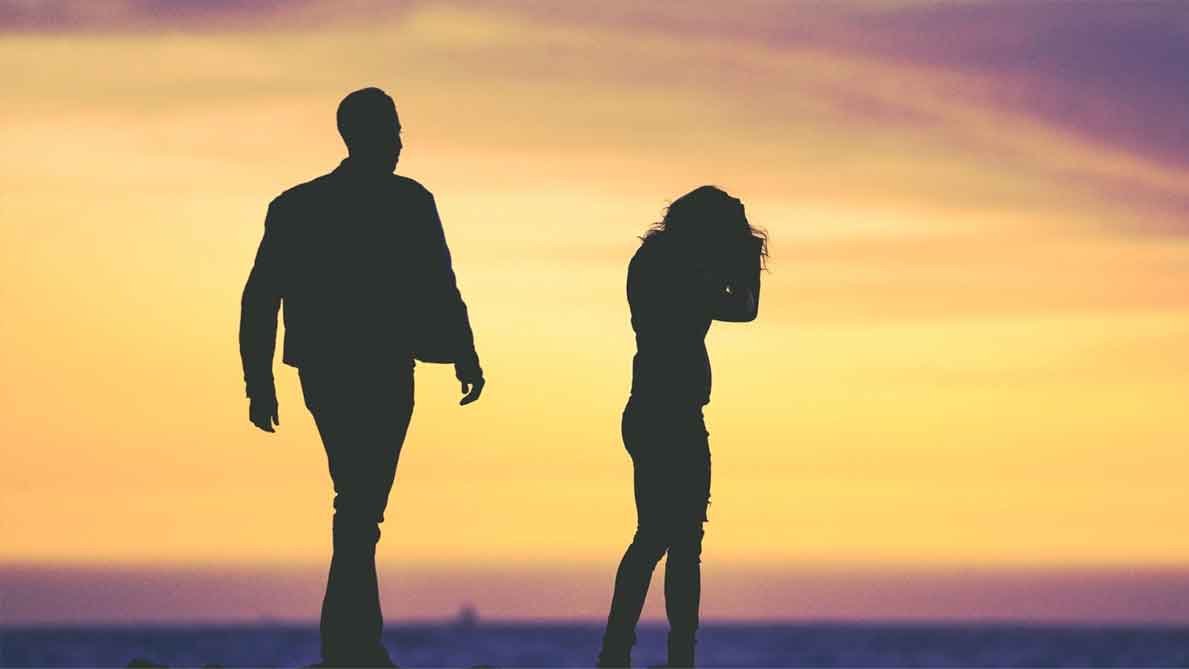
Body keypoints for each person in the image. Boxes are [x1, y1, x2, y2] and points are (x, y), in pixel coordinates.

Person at [238, 87, 485, 667]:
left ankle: (351, 644)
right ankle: (353, 646)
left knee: (359, 506)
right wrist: (257, 382)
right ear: (362, 136)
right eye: (392, 131)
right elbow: (261, 296)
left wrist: (465, 353)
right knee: (359, 506)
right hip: (357, 368)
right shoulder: (313, 205)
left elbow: (440, 282)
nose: (400, 142)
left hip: (366, 367)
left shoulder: (378, 202)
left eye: (399, 131)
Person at [598, 186, 765, 668]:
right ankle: (668, 657)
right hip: (671, 415)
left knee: (657, 538)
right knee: (673, 540)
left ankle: (621, 652)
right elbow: (743, 308)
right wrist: (748, 264)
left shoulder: (653, 259)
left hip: (653, 410)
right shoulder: (682, 267)